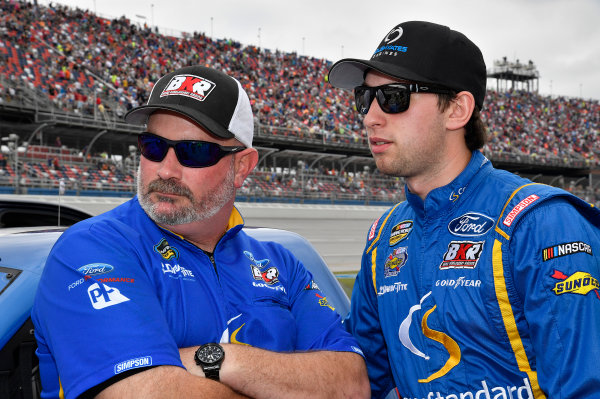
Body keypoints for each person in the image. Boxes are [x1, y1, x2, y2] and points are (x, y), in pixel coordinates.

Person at [32, 65, 369, 399]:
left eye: (193, 151)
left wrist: (222, 359)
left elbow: (351, 384)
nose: (165, 169)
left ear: (242, 166)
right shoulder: (92, 249)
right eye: (153, 146)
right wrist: (288, 383)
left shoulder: (282, 264)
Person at [328, 21, 600, 399]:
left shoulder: (540, 223)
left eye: (393, 97)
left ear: (457, 110)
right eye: (364, 97)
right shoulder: (383, 239)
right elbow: (357, 380)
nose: (370, 116)